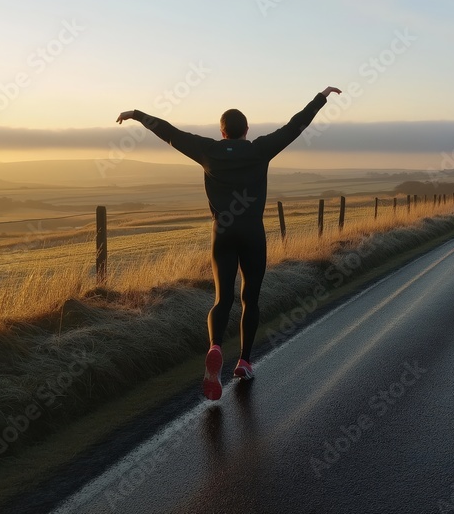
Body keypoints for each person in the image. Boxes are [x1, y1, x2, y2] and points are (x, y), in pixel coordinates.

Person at [116, 86, 342, 400]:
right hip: (252, 234)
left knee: (222, 299)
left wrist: (137, 114)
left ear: (222, 132)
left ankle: (215, 347)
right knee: (250, 298)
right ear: (246, 131)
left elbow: (169, 133)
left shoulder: (208, 150)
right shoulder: (260, 149)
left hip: (222, 235)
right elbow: (295, 126)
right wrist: (321, 97)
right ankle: (245, 362)